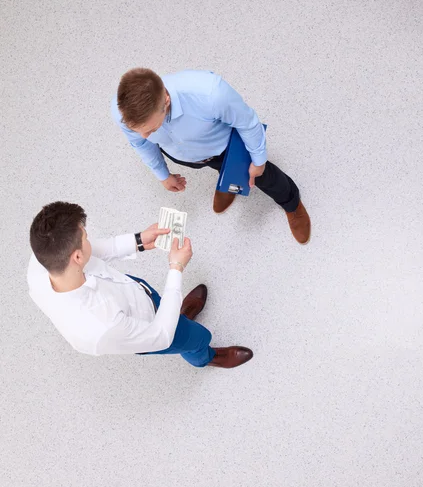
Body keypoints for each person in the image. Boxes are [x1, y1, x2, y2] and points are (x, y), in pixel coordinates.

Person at [27, 202, 253, 368]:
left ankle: (178, 314)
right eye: (85, 237)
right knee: (197, 337)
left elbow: (92, 250)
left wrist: (139, 241)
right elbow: (161, 335)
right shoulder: (102, 327)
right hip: (146, 328)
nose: (89, 240)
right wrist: (176, 267)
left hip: (138, 296)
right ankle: (205, 357)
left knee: (166, 309)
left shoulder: (44, 259)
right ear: (76, 257)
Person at [111, 69, 311, 245]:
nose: (147, 137)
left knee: (264, 176)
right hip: (186, 153)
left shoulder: (211, 94)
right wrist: (162, 174)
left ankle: (291, 203)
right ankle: (228, 182)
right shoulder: (123, 111)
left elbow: (249, 124)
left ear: (166, 100)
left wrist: (258, 161)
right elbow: (140, 143)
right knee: (219, 169)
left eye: (152, 129)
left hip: (225, 147)